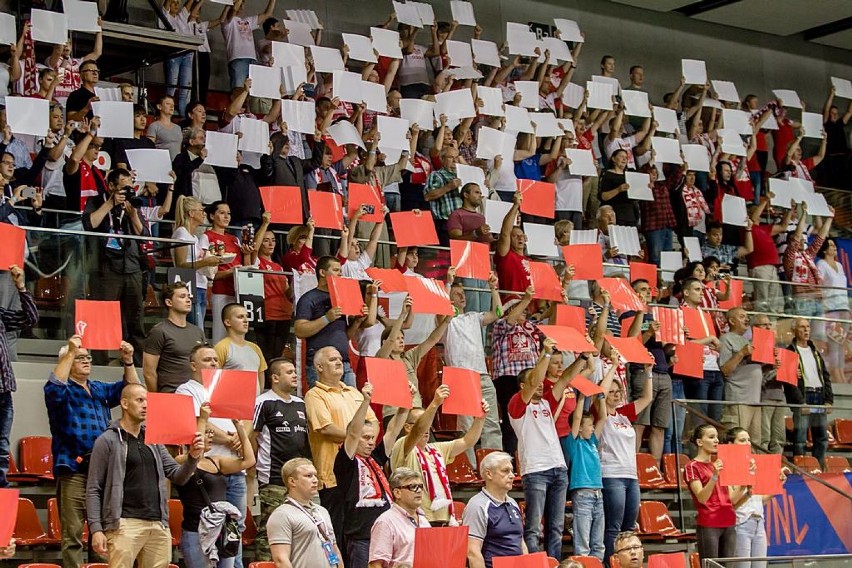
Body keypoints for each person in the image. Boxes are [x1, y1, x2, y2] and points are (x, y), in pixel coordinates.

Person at [44, 335, 138, 568]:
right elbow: (54, 387)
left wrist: (128, 361)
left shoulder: (97, 388)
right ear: (68, 360)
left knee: (104, 535)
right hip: (74, 469)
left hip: (103, 471)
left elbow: (133, 391)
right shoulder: (62, 391)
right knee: (73, 535)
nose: (86, 361)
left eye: (88, 357)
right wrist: (70, 351)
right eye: (79, 358)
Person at [86, 384, 204, 568]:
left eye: (148, 400)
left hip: (157, 522)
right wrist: (96, 529)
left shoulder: (154, 439)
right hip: (123, 523)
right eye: (140, 400)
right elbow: (94, 488)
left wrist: (193, 458)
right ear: (124, 403)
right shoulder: (107, 440)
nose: (146, 405)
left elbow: (177, 476)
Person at [305, 346, 379, 546]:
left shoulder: (354, 392)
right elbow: (326, 428)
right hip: (333, 476)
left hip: (361, 475)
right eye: (332, 360)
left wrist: (361, 438)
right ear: (319, 366)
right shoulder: (314, 395)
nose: (339, 362)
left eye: (340, 359)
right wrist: (355, 439)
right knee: (336, 534)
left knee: (360, 534)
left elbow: (373, 423)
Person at [82, 167, 155, 362]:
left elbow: (144, 237)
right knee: (102, 317)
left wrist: (132, 215)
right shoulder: (96, 201)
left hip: (132, 267)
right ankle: (99, 361)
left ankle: (137, 363)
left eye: (130, 188)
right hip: (105, 268)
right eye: (122, 188)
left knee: (135, 320)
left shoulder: (133, 206)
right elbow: (90, 224)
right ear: (111, 186)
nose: (126, 193)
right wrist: (109, 203)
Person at [335, 382, 408, 568]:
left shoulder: (374, 458)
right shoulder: (346, 462)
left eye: (372, 439)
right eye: (366, 438)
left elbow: (393, 430)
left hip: (388, 533)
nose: (370, 443)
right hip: (363, 537)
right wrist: (366, 401)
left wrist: (405, 403)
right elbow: (352, 433)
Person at [391, 384, 487, 525]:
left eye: (429, 423)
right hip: (417, 520)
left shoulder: (437, 449)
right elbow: (417, 431)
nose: (426, 428)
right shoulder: (403, 446)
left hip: (444, 519)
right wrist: (435, 403)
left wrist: (480, 419)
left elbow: (467, 441)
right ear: (407, 427)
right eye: (423, 422)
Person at [508, 337, 568, 560]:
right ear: (523, 386)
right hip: (535, 471)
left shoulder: (546, 402)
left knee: (556, 528)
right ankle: (535, 564)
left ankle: (555, 564)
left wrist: (583, 357)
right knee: (534, 527)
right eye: (536, 381)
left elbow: (566, 378)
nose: (542, 384)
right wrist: (546, 354)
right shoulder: (516, 405)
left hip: (558, 469)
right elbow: (534, 381)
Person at [175, 402, 255, 568]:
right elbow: (193, 453)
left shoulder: (216, 461)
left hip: (222, 529)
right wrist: (203, 419)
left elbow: (249, 460)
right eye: (205, 435)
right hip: (196, 531)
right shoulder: (180, 462)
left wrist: (239, 428)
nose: (209, 438)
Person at [251, 358, 311, 561]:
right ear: (275, 378)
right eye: (289, 372)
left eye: (295, 371)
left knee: (300, 531)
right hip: (273, 479)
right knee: (269, 531)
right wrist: (252, 470)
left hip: (300, 481)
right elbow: (253, 436)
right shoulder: (263, 401)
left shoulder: (301, 403)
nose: (294, 375)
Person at [443, 274, 503, 462]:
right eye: (457, 293)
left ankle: (495, 464)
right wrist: (448, 283)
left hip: (482, 374)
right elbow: (441, 311)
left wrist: (494, 288)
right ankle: (469, 467)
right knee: (467, 426)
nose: (463, 297)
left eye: (463, 293)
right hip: (460, 376)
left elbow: (498, 313)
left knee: (491, 423)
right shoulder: (446, 321)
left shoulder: (474, 317)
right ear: (449, 297)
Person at [600, 354, 654, 564]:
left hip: (631, 475)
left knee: (629, 528)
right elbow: (600, 394)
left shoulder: (624, 414)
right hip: (611, 474)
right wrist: (613, 366)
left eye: (618, 392)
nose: (614, 395)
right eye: (611, 393)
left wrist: (648, 372)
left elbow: (647, 399)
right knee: (613, 527)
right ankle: (610, 563)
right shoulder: (600, 412)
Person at [621, 279, 674, 460]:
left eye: (648, 289)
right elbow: (631, 346)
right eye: (642, 290)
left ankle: (655, 470)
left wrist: (674, 338)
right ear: (633, 294)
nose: (647, 293)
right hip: (642, 372)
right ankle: (634, 469)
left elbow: (664, 348)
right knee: (640, 424)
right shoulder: (628, 315)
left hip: (663, 372)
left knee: (659, 425)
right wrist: (649, 332)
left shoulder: (656, 315)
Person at [726, 427, 787, 568]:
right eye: (742, 440)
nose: (747, 443)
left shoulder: (753, 464)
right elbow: (730, 502)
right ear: (730, 444)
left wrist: (777, 484)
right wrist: (745, 486)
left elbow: (760, 500)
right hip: (740, 522)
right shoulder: (726, 466)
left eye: (748, 440)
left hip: (759, 522)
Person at [295, 256, 359, 388]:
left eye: (340, 271)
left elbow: (345, 335)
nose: (340, 274)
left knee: (352, 406)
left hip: (344, 364)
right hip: (321, 366)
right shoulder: (308, 298)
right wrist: (326, 318)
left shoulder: (342, 297)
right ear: (322, 272)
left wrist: (358, 321)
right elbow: (299, 330)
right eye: (336, 270)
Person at [0, 264, 37, 488]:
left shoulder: (1, 316)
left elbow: (30, 318)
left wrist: (21, 287)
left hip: (3, 391)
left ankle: (0, 494)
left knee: (2, 449)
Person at [267, 457, 342, 568]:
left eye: (315, 475)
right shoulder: (281, 515)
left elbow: (334, 548)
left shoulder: (322, 511)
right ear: (292, 481)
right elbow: (281, 560)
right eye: (308, 476)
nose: (315, 480)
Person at [685, 424, 745, 562]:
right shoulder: (692, 466)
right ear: (699, 442)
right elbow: (701, 497)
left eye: (717, 437)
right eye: (711, 437)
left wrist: (744, 485)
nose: (716, 441)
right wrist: (714, 475)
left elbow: (731, 499)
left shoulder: (719, 464)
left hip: (729, 521)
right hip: (709, 523)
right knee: (711, 566)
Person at [463, 451, 525, 568]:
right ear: (489, 474)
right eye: (505, 471)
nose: (512, 475)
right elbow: (472, 552)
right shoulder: (477, 505)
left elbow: (521, 542)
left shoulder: (513, 503)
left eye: (512, 471)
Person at [785, 318, 833, 468]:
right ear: (794, 331)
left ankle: (818, 469)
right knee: (800, 439)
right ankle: (801, 469)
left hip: (819, 395)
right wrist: (800, 402)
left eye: (807, 327)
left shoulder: (815, 352)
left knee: (821, 438)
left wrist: (828, 400)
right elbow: (790, 381)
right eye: (802, 327)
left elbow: (825, 376)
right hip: (804, 396)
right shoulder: (790, 351)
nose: (806, 330)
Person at [143, 281, 206, 393]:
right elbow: (149, 372)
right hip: (171, 394)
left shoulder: (197, 332)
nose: (188, 300)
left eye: (188, 296)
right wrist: (157, 398)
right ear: (169, 302)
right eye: (182, 296)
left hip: (196, 394)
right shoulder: (159, 331)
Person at [171, 195, 221, 325]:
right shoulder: (181, 233)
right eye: (201, 210)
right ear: (191, 213)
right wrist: (206, 262)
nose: (204, 213)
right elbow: (181, 265)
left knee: (198, 328)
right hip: (189, 286)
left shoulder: (194, 237)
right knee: (197, 330)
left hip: (200, 285)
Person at [367, 467, 431, 568]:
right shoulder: (385, 522)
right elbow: (376, 565)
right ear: (397, 493)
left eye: (420, 486)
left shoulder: (424, 520)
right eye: (413, 487)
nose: (418, 491)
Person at [718, 308, 763, 446]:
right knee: (737, 442)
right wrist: (741, 353)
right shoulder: (726, 339)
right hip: (738, 399)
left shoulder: (749, 341)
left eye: (747, 316)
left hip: (755, 400)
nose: (747, 319)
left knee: (755, 444)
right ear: (731, 321)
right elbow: (725, 370)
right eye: (742, 316)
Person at [205, 201, 247, 342]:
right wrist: (230, 272)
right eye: (222, 213)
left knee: (238, 334)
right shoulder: (207, 236)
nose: (226, 216)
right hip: (220, 291)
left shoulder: (234, 239)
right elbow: (208, 271)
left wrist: (247, 254)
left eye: (228, 213)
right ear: (212, 216)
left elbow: (244, 264)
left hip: (238, 291)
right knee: (221, 334)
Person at [783, 202, 833, 319]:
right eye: (798, 239)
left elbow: (820, 239)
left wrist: (830, 218)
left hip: (817, 299)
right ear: (789, 243)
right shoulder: (789, 257)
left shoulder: (808, 255)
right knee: (803, 329)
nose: (801, 241)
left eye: (802, 239)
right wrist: (804, 214)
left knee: (818, 335)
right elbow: (796, 237)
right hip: (803, 300)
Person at [220, 0, 277, 90]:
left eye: (243, 4)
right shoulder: (227, 21)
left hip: (252, 60)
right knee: (238, 90)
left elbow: (267, 14)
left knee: (252, 91)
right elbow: (234, 9)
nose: (242, 6)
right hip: (238, 59)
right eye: (240, 3)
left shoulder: (247, 21)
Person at [214, 303, 268, 394]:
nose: (246, 320)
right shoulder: (221, 347)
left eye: (246, 316)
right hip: (231, 402)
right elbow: (214, 378)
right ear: (228, 322)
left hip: (255, 403)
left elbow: (261, 376)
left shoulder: (255, 348)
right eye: (240, 317)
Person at [815, 238, 849, 383]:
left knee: (842, 343)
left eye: (835, 245)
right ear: (824, 250)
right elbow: (819, 285)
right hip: (831, 309)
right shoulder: (821, 264)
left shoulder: (840, 265)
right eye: (831, 246)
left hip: (844, 307)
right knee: (834, 343)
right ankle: (835, 375)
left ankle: (841, 373)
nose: (835, 248)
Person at [754, 315, 786, 455]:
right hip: (764, 396)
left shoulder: (777, 348)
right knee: (764, 437)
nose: (768, 327)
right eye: (764, 325)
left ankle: (777, 468)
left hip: (779, 395)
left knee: (779, 438)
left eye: (769, 324)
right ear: (755, 328)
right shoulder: (753, 346)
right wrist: (772, 368)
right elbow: (756, 377)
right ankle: (764, 468)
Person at [494, 191, 531, 299]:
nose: (520, 238)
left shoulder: (531, 262)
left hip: (530, 308)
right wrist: (516, 205)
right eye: (515, 236)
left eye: (522, 235)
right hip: (511, 304)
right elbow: (505, 232)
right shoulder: (506, 256)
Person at [147, 96, 183, 161]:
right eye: (168, 104)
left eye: (173, 105)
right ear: (159, 106)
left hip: (177, 166)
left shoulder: (178, 128)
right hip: (161, 163)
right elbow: (149, 148)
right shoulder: (154, 126)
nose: (171, 106)